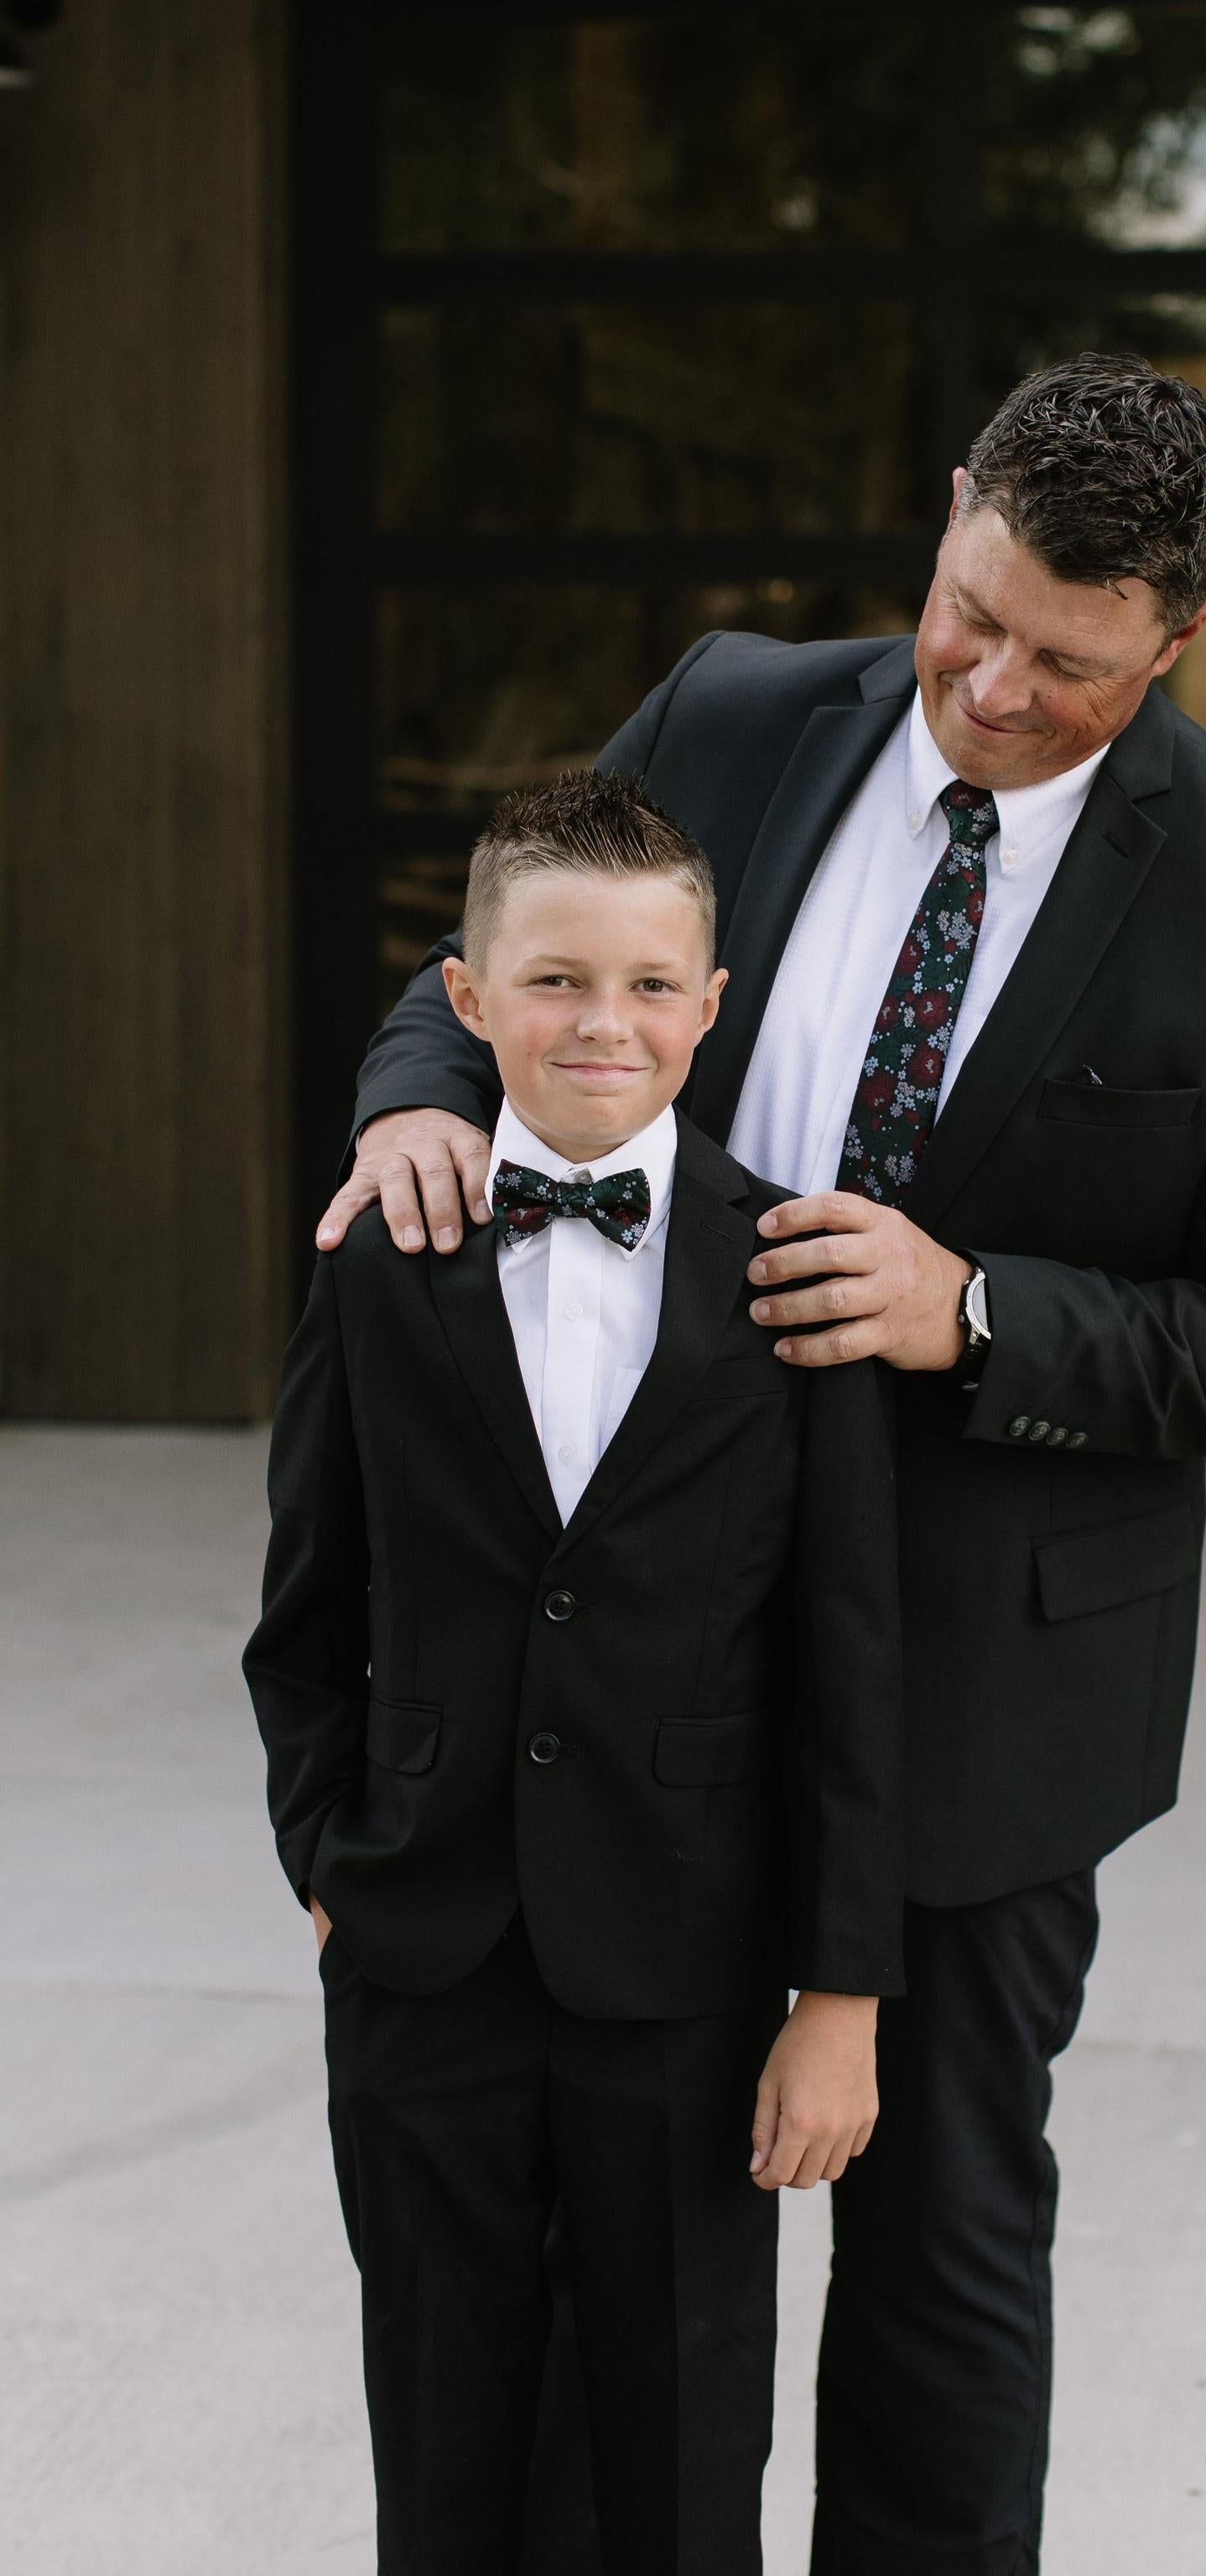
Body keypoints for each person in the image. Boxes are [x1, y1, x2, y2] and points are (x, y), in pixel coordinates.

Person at [319, 353, 1206, 2573]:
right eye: (968, 612)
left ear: (1180, 639)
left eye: (1068, 664)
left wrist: (976, 1306)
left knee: (935, 2271)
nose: (991, 686)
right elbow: (507, 954)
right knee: (570, 2267)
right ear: (948, 518)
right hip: (622, 1673)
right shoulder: (732, 706)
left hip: (985, 1709)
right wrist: (412, 1092)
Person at [247, 771, 906, 2576]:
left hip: (684, 1975)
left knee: (684, 2458)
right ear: (468, 1001)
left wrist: (836, 1996)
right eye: (551, 982)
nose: (599, 1023)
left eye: (643, 986)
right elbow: (304, 1616)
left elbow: (849, 1670)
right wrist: (330, 1867)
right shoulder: (384, 1261)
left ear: (711, 1004)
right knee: (442, 2442)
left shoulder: (792, 1273)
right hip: (424, 1959)